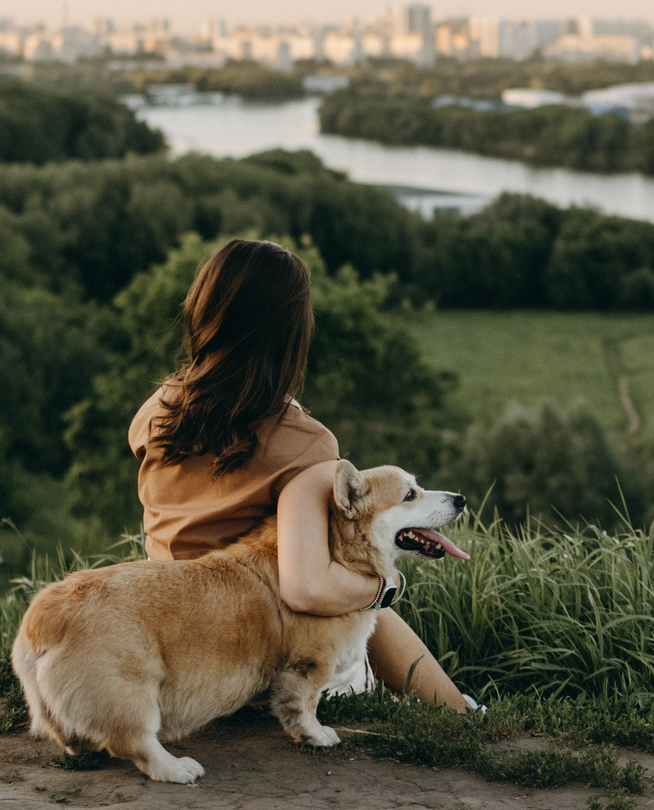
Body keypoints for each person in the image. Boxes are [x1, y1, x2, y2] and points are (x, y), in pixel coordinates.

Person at [127, 236, 474, 711]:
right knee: (360, 593)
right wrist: (385, 587)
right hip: (249, 645)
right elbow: (306, 586)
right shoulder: (305, 444)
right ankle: (460, 713)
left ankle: (458, 708)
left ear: (205, 310)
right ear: (290, 333)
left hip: (169, 630)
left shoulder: (158, 409)